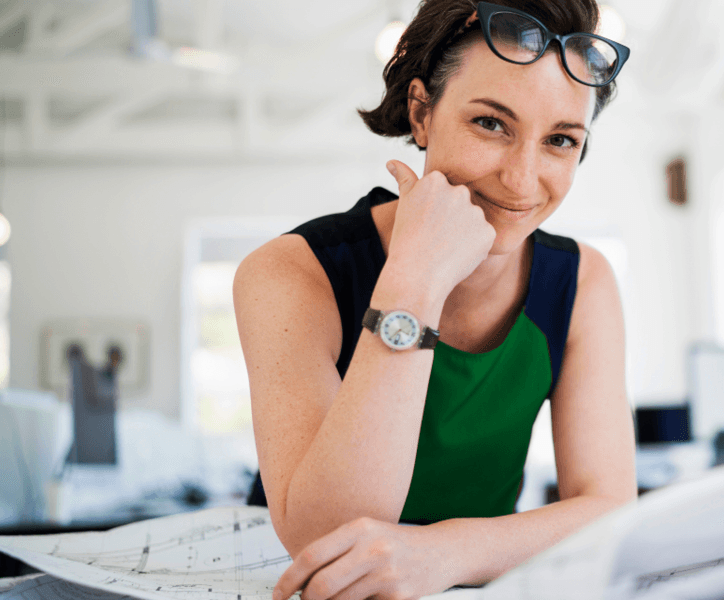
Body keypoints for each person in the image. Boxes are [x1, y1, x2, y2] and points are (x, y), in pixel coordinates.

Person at [233, 1, 637, 598]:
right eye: (491, 124)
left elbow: (607, 506)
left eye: (559, 140)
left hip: (469, 583)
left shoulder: (582, 282)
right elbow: (332, 537)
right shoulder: (292, 272)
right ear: (422, 113)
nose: (523, 182)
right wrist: (416, 278)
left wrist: (446, 553)